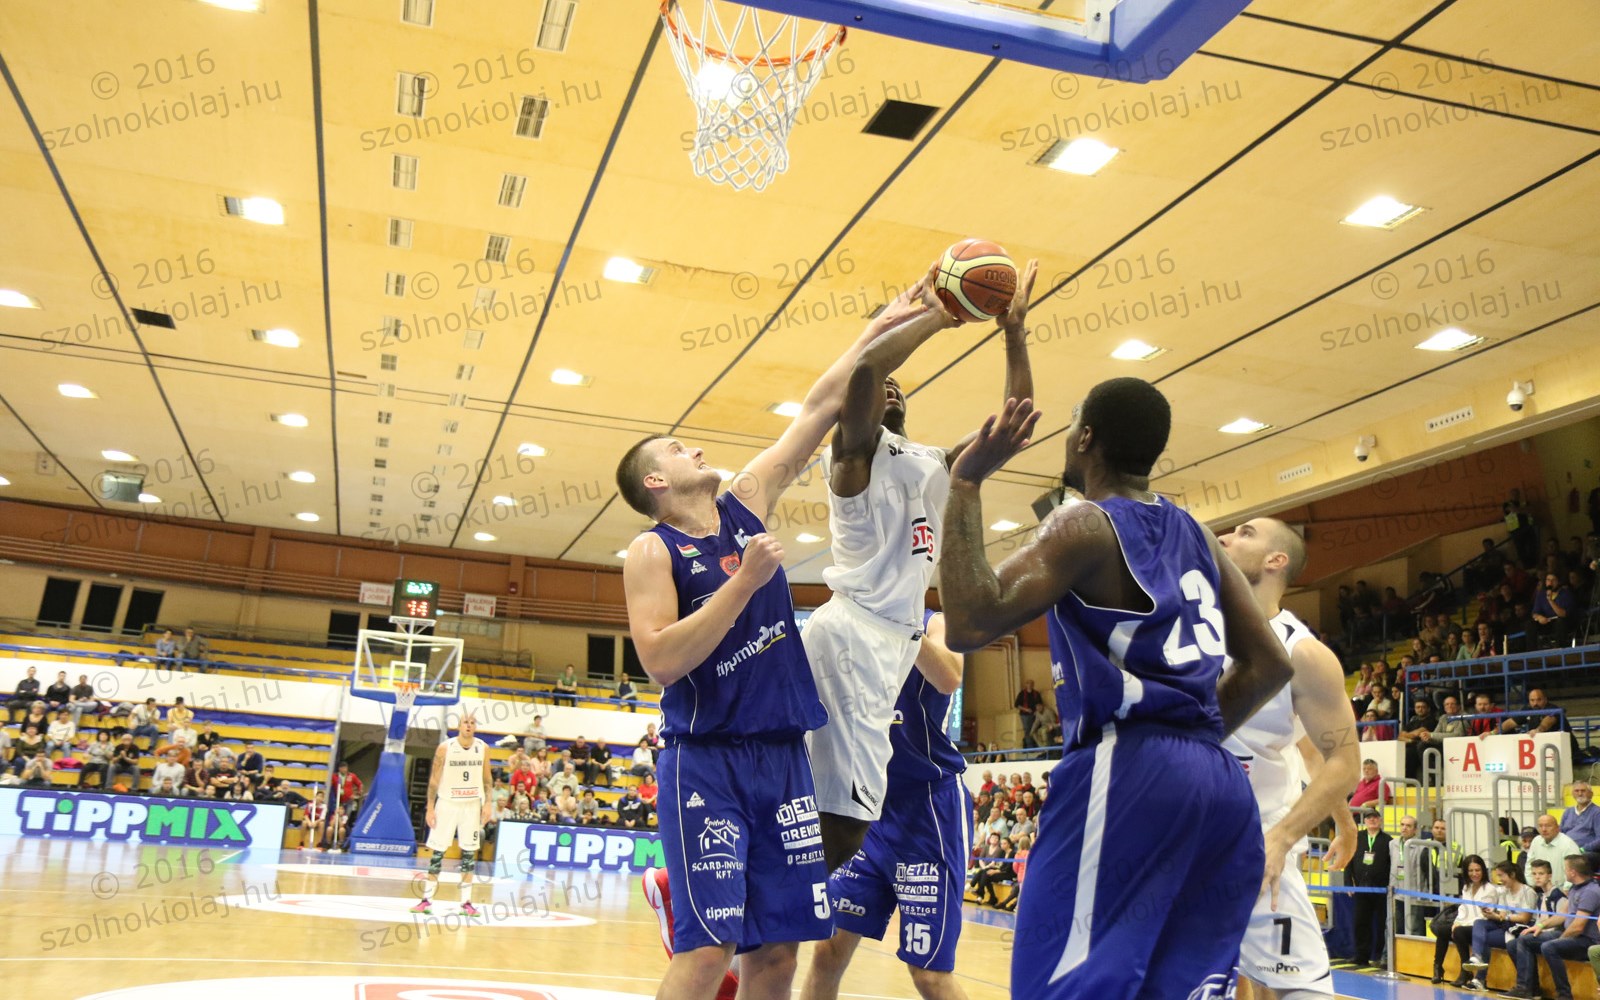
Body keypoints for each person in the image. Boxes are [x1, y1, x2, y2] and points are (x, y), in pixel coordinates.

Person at [621, 275, 946, 1000]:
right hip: (708, 759)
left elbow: (821, 406)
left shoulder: (746, 501)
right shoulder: (652, 550)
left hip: (783, 755)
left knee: (777, 954)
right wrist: (742, 584)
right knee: (709, 952)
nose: (692, 447)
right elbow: (660, 660)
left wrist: (895, 325)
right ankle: (677, 894)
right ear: (655, 482)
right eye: (676, 449)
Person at [935, 377, 1294, 998]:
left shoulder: (1086, 525)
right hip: (1219, 782)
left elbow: (968, 623)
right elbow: (1269, 665)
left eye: (1073, 422)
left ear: (1086, 439)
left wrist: (964, 484)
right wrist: (1188, 737)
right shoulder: (1196, 532)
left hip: (1128, 767)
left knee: (1065, 985)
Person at [800, 261, 1035, 872]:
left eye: (898, 386)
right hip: (854, 632)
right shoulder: (852, 456)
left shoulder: (934, 460)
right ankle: (758, 907)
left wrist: (1014, 333)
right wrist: (941, 313)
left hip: (893, 641)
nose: (890, 388)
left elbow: (1013, 424)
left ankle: (755, 903)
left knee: (839, 811)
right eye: (882, 386)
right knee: (844, 821)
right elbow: (867, 369)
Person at [1216, 517, 1361, 999]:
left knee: (1299, 987)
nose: (1224, 538)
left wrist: (1282, 838)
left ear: (1276, 560)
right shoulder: (1185, 629)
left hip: (1253, 837)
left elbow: (1337, 758)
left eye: (1245, 533)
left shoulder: (1304, 653)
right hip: (1176, 832)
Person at [802, 610, 974, 1000]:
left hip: (929, 811)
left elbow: (950, 675)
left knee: (929, 976)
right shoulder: (843, 625)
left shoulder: (933, 622)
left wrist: (896, 624)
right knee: (827, 952)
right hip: (867, 808)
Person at [413, 714, 491, 917]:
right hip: (447, 803)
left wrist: (488, 803)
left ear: (475, 727)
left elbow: (487, 779)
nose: (469, 725)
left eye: (473, 723)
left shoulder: (483, 747)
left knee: (469, 854)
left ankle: (466, 903)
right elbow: (434, 780)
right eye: (466, 722)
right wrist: (430, 807)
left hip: (472, 804)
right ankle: (426, 900)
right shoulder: (445, 748)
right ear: (459, 726)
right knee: (437, 853)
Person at [1505, 855, 1600, 1000]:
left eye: (1565, 869)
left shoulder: (1590, 891)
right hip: (1573, 936)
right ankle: (1529, 989)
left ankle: (1564, 994)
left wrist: (1560, 939)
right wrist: (1540, 925)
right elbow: (1562, 914)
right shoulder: (1575, 888)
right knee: (1519, 941)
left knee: (1549, 947)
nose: (1564, 872)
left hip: (1586, 940)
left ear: (1573, 872)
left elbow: (1578, 927)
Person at [1462, 860, 1538, 988]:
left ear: (1512, 875)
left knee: (1486, 938)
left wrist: (1504, 917)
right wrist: (1492, 914)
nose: (1500, 879)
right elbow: (1502, 915)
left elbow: (1525, 918)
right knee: (1479, 923)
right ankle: (1477, 961)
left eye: (1501, 875)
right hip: (1507, 926)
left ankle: (1481, 976)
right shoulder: (1504, 891)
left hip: (1522, 929)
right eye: (1498, 876)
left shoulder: (1527, 892)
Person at [1431, 854, 1493, 985]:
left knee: (1459, 932)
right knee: (1442, 930)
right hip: (1464, 924)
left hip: (1479, 927)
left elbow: (1483, 915)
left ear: (1483, 870)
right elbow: (1463, 909)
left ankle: (1465, 971)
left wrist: (1461, 925)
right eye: (1471, 871)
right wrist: (1457, 922)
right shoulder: (1466, 887)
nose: (1474, 874)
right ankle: (1438, 967)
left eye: (1477, 870)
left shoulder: (1490, 889)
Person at [1346, 810, 1393, 968]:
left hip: (1381, 890)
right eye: (1369, 818)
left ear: (1380, 820)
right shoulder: (1357, 837)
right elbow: (1348, 860)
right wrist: (1348, 883)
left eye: (1375, 818)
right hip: (1361, 888)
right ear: (1364, 821)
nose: (1372, 820)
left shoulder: (1388, 841)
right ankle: (1361, 956)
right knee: (1360, 922)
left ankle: (1379, 957)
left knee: (1381, 924)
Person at [1529, 813, 1583, 889]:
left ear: (1557, 828)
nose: (1544, 829)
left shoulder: (1568, 844)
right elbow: (1529, 864)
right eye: (1540, 826)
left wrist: (1566, 889)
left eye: (1548, 826)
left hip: (1563, 890)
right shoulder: (1536, 841)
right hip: (1540, 889)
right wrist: (1531, 884)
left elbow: (1574, 872)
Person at [1562, 781, 1600, 852]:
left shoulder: (1597, 812)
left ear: (1591, 794)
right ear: (1573, 794)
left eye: (1583, 791)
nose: (1580, 794)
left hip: (1585, 851)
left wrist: (1583, 849)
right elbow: (1561, 833)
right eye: (1577, 791)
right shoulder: (1568, 812)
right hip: (1566, 849)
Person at [1014, 679, 1043, 751]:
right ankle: (1030, 747)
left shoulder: (1036, 693)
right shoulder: (1022, 693)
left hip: (1035, 714)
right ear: (1026, 685)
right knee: (1027, 730)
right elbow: (1017, 705)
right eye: (1028, 683)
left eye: (1031, 684)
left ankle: (1038, 746)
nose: (1030, 685)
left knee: (1036, 729)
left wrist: (1037, 711)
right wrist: (1026, 709)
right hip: (1025, 715)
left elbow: (1040, 703)